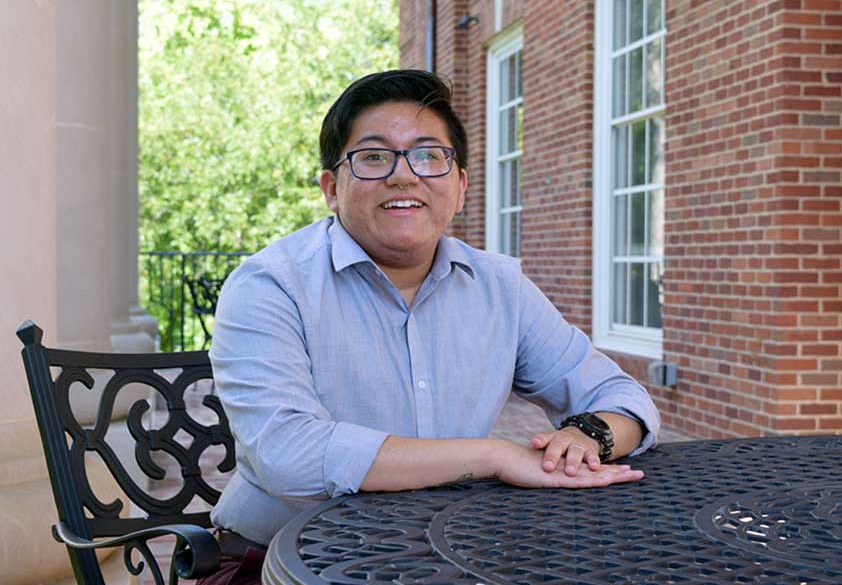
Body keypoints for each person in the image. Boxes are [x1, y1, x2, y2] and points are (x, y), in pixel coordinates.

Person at [199, 69, 660, 584]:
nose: (404, 175)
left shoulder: (499, 286)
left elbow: (622, 397)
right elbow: (290, 455)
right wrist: (493, 457)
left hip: (448, 558)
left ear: (459, 187)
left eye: (428, 154)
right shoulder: (269, 286)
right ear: (332, 188)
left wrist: (586, 437)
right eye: (373, 156)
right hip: (281, 563)